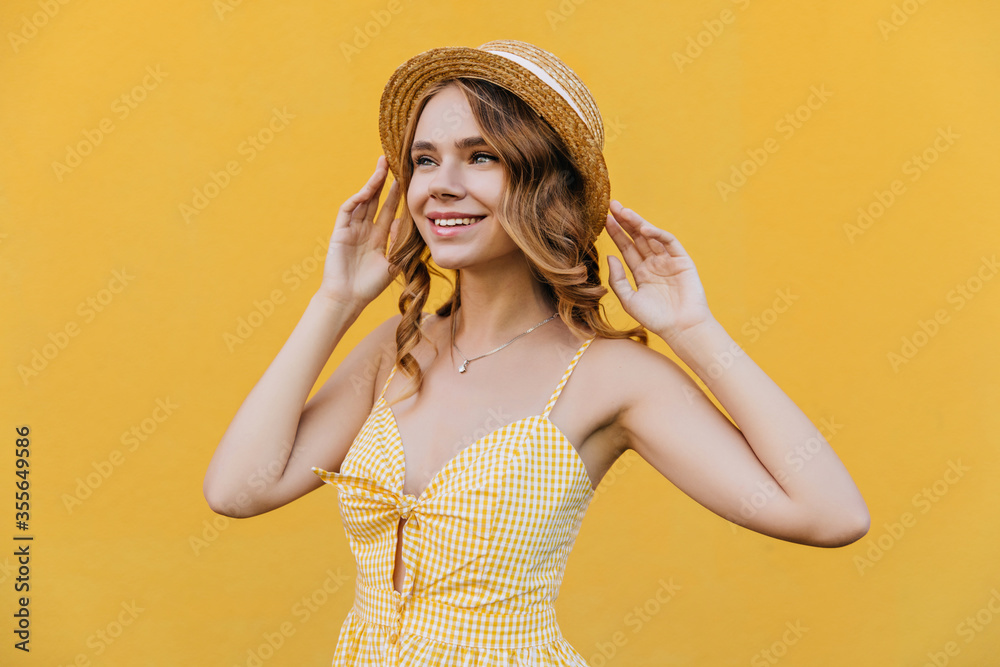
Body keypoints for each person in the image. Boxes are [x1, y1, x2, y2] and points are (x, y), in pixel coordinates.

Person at [203, 40, 870, 666]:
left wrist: (693, 329)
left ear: (548, 185)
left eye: (481, 156)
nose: (440, 184)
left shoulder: (612, 377)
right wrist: (336, 301)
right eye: (425, 160)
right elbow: (237, 490)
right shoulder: (399, 348)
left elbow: (831, 514)